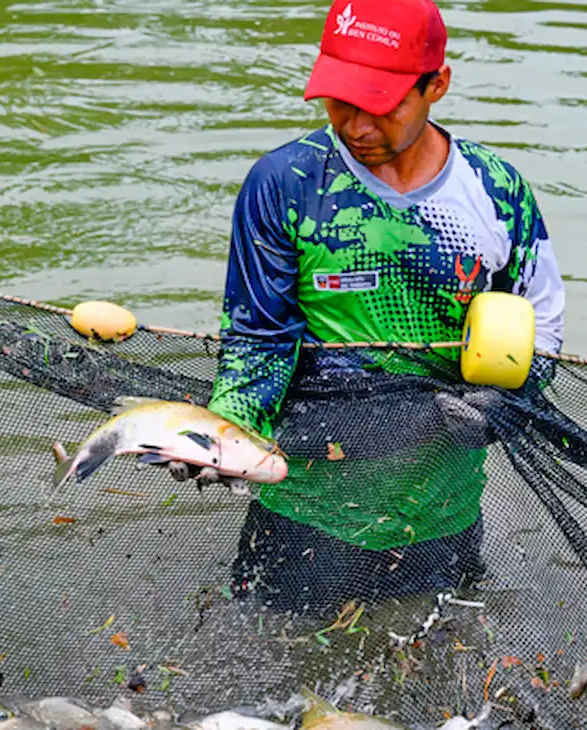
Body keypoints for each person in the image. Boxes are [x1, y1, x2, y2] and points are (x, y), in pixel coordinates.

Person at [163, 0, 565, 615]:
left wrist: (506, 404)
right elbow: (256, 343)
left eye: (379, 105)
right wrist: (226, 434)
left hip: (442, 513)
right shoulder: (285, 184)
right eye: (339, 100)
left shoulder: (496, 193)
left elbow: (542, 326)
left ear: (437, 85)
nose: (355, 126)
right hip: (304, 515)